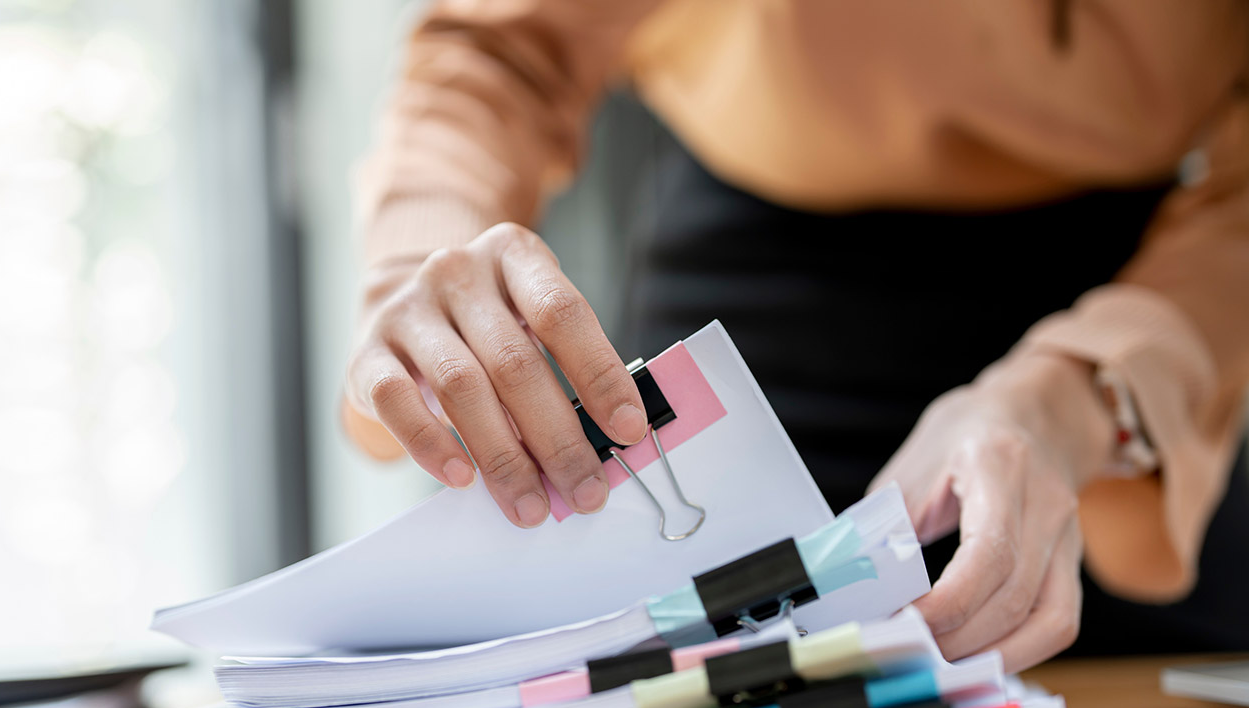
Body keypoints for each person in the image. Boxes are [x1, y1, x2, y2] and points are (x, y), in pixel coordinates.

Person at [338, 0, 1249, 671]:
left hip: (1155, 326)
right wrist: (418, 261)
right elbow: (503, 50)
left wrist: (1081, 400)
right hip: (748, 308)